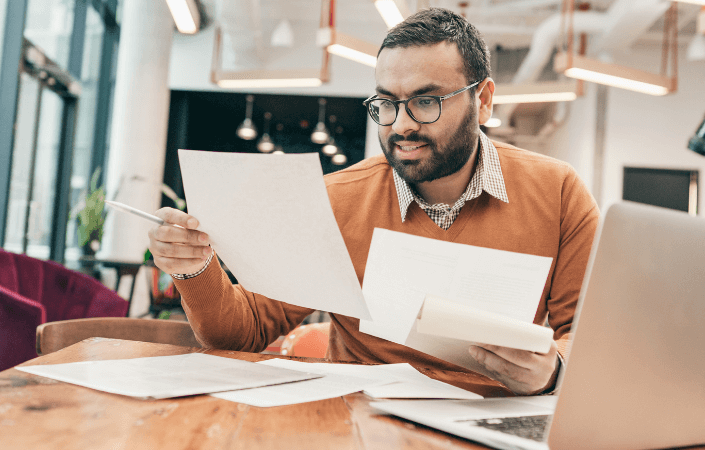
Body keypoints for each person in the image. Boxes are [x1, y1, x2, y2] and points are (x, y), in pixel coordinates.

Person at [148, 8, 599, 395]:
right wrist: (195, 268)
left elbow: (591, 335)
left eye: (426, 101)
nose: (401, 126)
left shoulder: (558, 193)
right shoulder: (335, 199)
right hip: (360, 420)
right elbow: (245, 332)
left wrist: (554, 367)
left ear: (482, 100)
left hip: (491, 421)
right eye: (386, 103)